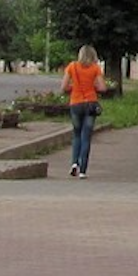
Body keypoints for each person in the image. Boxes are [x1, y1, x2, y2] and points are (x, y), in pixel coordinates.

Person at [61, 44, 106, 178]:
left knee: (76, 135)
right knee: (86, 137)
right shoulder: (95, 69)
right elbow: (102, 87)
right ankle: (83, 170)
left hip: (75, 104)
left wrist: (73, 88)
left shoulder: (72, 67)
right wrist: (92, 87)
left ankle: (74, 163)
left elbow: (63, 87)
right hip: (90, 105)